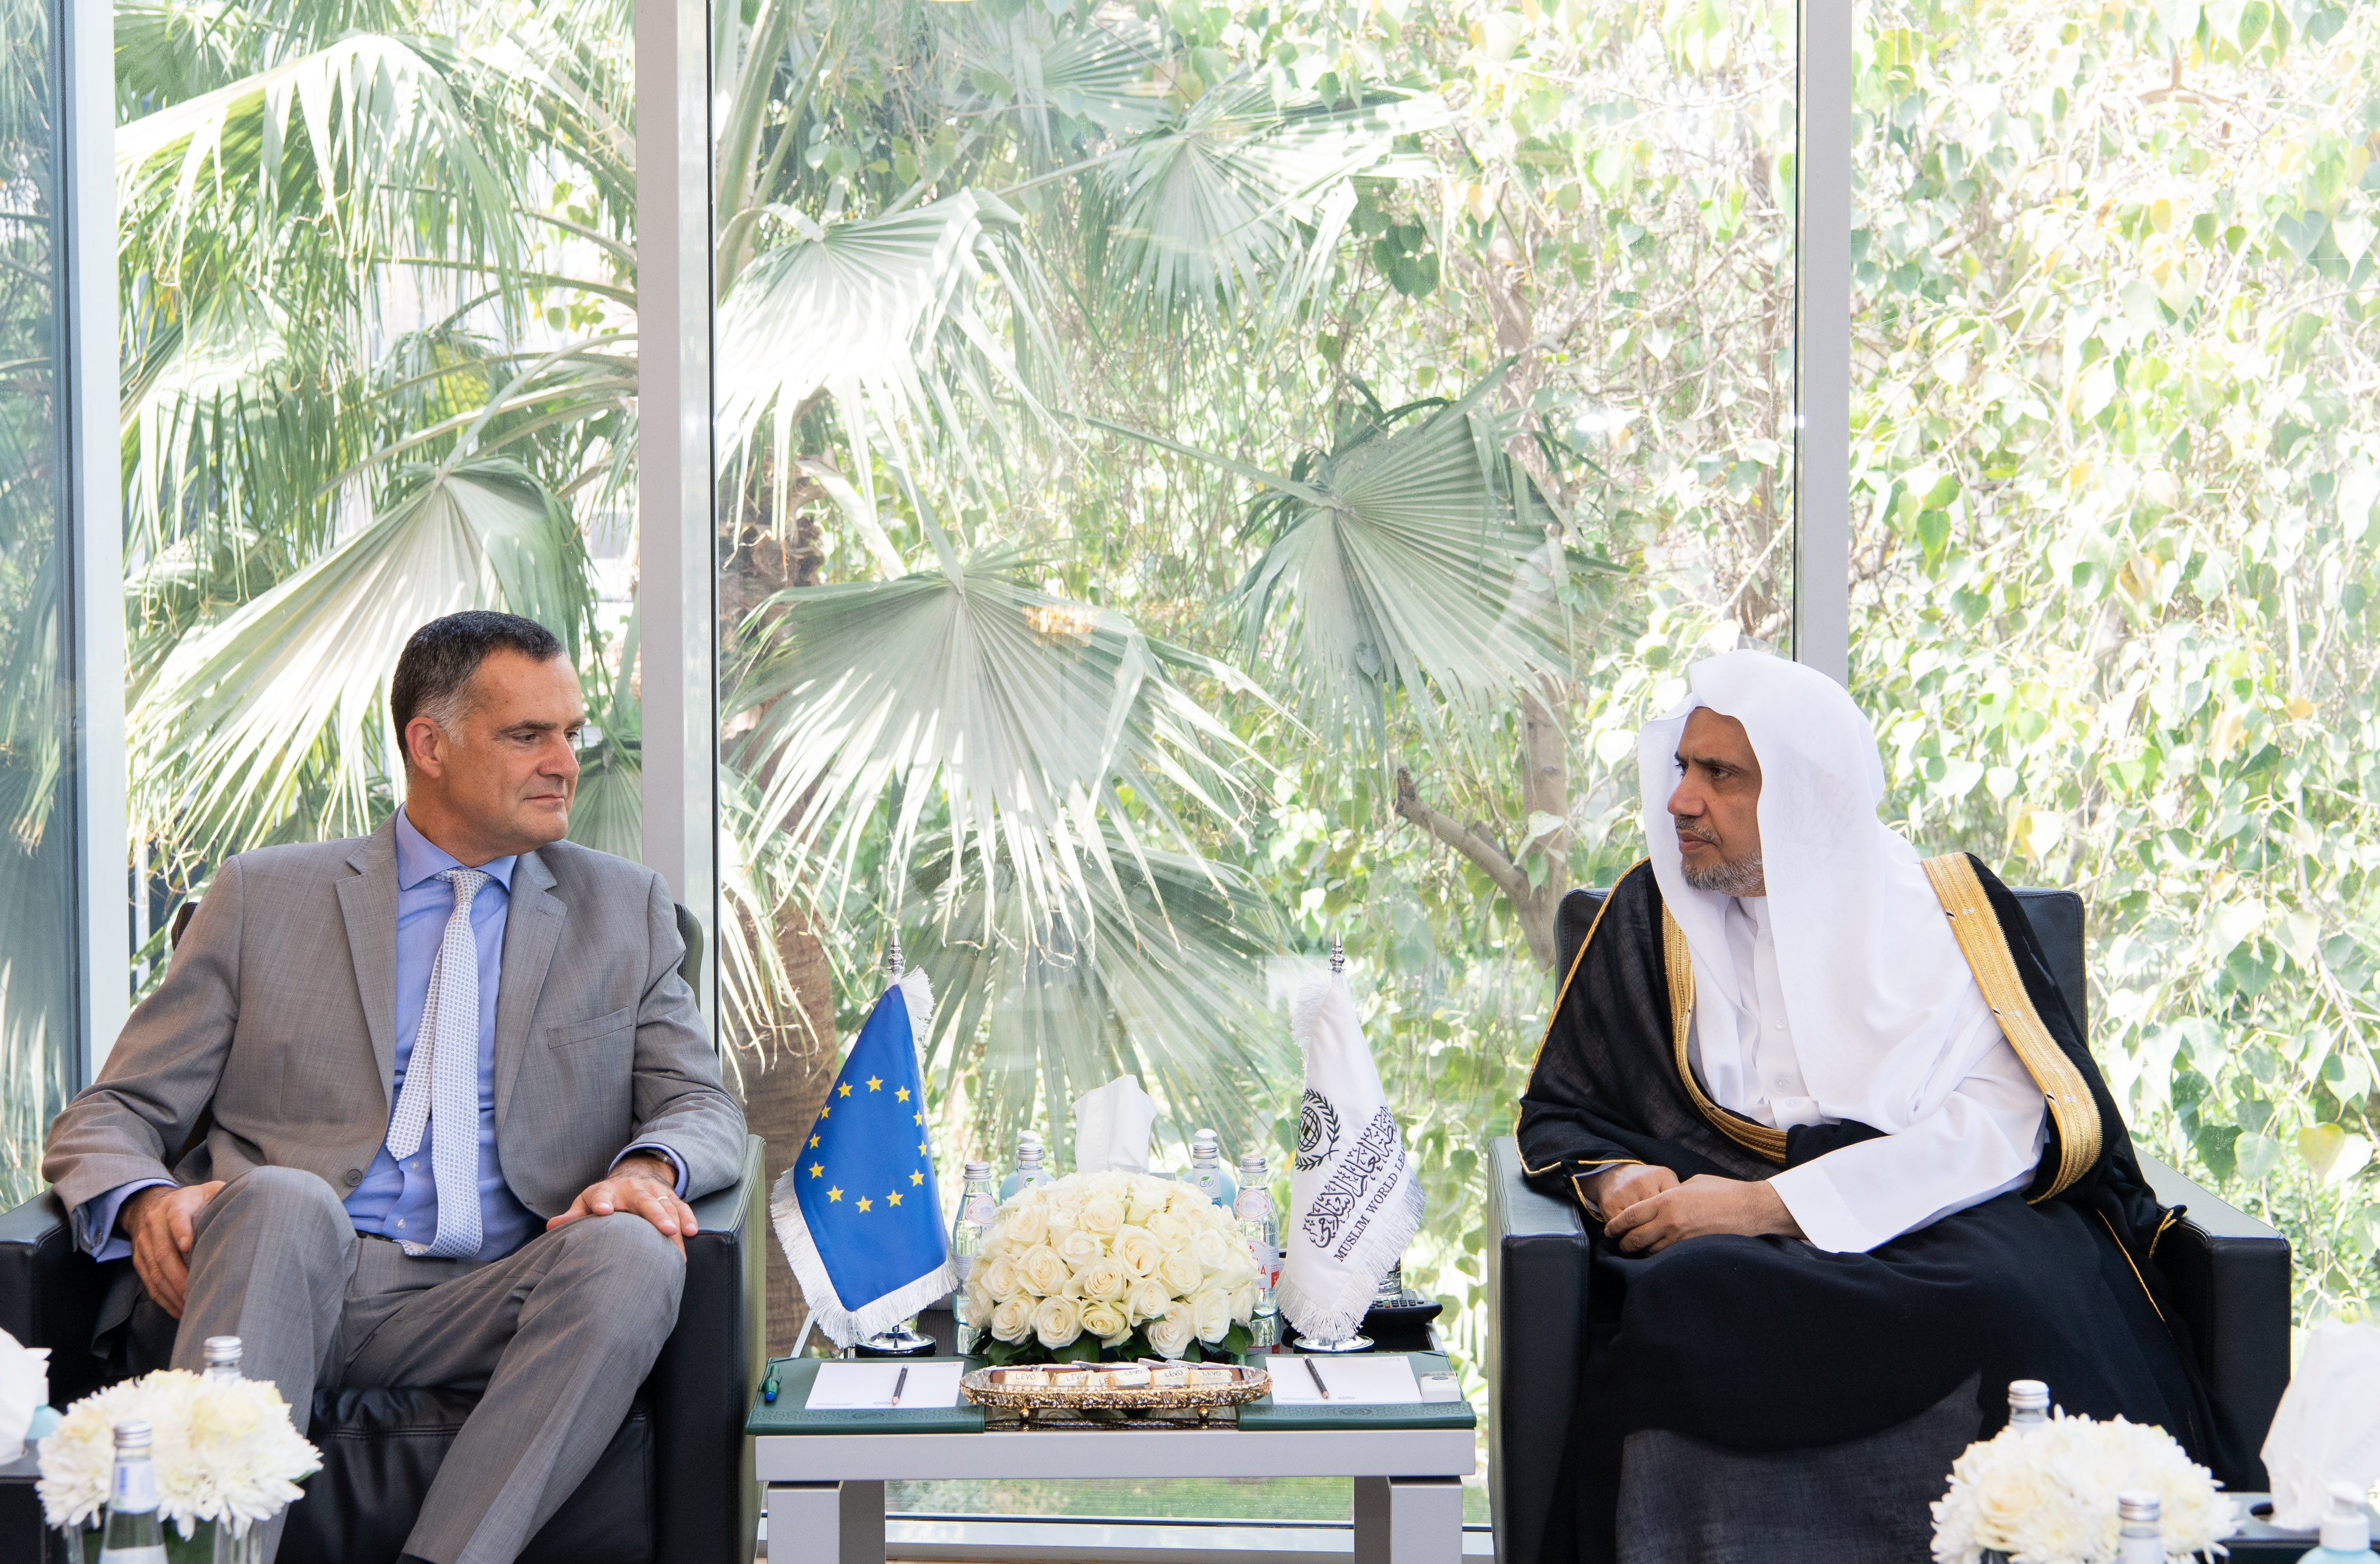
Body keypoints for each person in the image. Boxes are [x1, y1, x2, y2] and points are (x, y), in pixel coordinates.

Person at [43, 611, 746, 1564]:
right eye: (526, 735)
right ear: (430, 744)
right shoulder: (262, 900)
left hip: (498, 1293)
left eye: (569, 734)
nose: (564, 763)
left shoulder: (624, 911)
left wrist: (648, 1166)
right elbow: (111, 1114)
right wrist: (145, 1204)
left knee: (632, 1252)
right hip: (293, 1274)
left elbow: (700, 1106)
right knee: (287, 1200)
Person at [1516, 650, 2243, 1564]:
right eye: (1682, 768)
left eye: (1721, 776)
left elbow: (2005, 1123)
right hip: (1719, 1232)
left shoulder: (1949, 912)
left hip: (1941, 1209)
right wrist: (1622, 1177)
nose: (1681, 802)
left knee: (2012, 1301)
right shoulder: (1648, 918)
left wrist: (1760, 1210)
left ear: (1807, 798)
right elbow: (1569, 1105)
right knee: (1687, 1303)